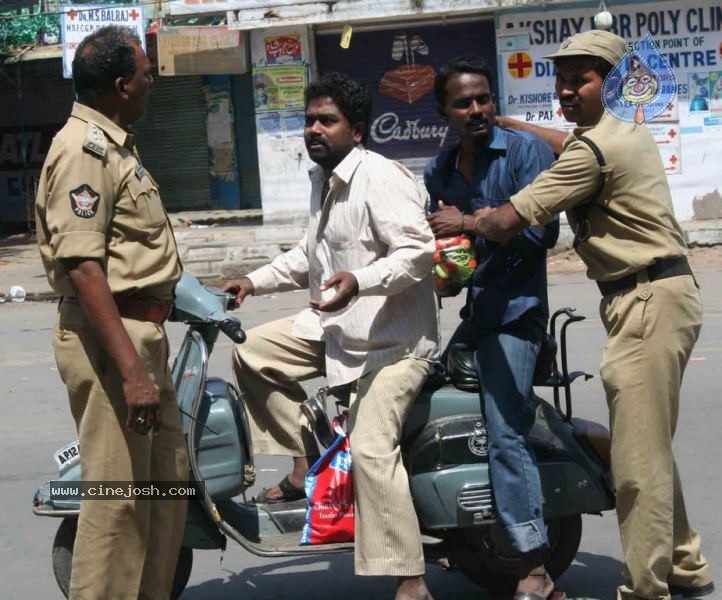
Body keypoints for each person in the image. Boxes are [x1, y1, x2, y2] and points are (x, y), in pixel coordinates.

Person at [472, 30, 714, 600]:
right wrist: (517, 126)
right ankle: (685, 565)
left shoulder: (594, 151)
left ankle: (647, 588)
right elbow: (569, 141)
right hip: (659, 295)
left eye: (579, 80)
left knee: (634, 463)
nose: (565, 89)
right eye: (561, 79)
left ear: (607, 84)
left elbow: (511, 220)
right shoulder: (624, 134)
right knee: (646, 444)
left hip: (646, 301)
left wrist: (464, 222)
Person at [224, 72, 439, 599]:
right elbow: (309, 257)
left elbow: (418, 252)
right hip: (337, 328)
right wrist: (252, 281)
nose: (313, 130)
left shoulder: (381, 179)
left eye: (327, 120)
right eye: (309, 120)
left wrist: (360, 281)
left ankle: (410, 580)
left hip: (393, 345)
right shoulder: (325, 180)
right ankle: (305, 464)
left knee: (370, 448)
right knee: (252, 352)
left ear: (358, 129)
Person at [35, 26, 188, 599]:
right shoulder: (84, 150)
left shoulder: (115, 142)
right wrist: (130, 372)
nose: (153, 83)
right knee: (119, 499)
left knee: (165, 490)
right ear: (123, 85)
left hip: (141, 334)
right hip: (113, 341)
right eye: (147, 74)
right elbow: (84, 267)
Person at [424, 55, 561, 600]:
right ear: (444, 112)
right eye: (464, 103)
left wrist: (469, 222)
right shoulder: (439, 170)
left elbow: (538, 236)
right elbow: (451, 250)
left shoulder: (525, 153)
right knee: (427, 405)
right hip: (476, 314)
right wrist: (446, 265)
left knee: (505, 433)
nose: (477, 109)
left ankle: (534, 567)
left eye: (484, 99)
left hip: (517, 313)